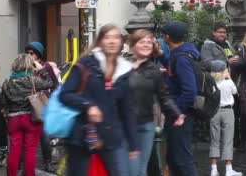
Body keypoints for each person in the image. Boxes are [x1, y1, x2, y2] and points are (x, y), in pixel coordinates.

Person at [59, 24, 138, 176]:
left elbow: (126, 109)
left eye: (116, 37)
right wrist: (88, 106)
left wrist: (133, 143)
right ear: (100, 41)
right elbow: (65, 94)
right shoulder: (85, 64)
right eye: (107, 37)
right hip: (82, 133)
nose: (112, 41)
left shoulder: (124, 70)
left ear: (121, 42)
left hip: (110, 135)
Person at [127, 29, 185, 176]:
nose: (146, 45)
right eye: (142, 42)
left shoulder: (154, 70)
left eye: (149, 42)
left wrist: (176, 113)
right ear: (133, 45)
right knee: (129, 169)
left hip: (146, 124)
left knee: (140, 169)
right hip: (125, 124)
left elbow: (163, 96)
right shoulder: (122, 67)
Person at [1, 53, 54, 176]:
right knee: (30, 150)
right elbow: (51, 82)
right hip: (31, 119)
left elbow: (3, 103)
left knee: (14, 150)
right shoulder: (33, 80)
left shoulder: (7, 82)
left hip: (13, 120)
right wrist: (42, 68)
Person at [162, 21, 199, 176]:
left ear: (167, 37)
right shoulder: (179, 54)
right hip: (179, 113)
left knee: (182, 159)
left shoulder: (182, 58)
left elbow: (190, 91)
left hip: (181, 115)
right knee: (174, 158)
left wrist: (176, 110)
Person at [24, 41, 59, 172]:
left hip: (42, 104)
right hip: (27, 104)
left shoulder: (46, 67)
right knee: (27, 137)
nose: (29, 55)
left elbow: (54, 84)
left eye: (31, 53)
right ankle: (24, 163)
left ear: (38, 54)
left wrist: (50, 100)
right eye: (27, 53)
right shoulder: (24, 66)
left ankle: (47, 162)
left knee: (44, 135)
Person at [209, 60, 242, 176]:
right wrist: (229, 78)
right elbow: (235, 91)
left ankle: (213, 169)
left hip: (214, 111)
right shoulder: (228, 83)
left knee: (214, 140)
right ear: (224, 71)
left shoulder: (211, 83)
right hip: (228, 111)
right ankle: (228, 169)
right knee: (228, 140)